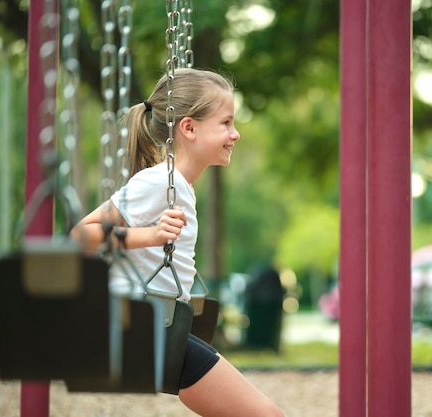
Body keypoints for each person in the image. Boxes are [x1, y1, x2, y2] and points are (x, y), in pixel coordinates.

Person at [71, 67, 284, 417]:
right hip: (140, 327)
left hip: (162, 325)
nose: (236, 134)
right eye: (226, 123)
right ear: (188, 128)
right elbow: (81, 235)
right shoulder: (158, 183)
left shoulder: (178, 186)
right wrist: (150, 236)